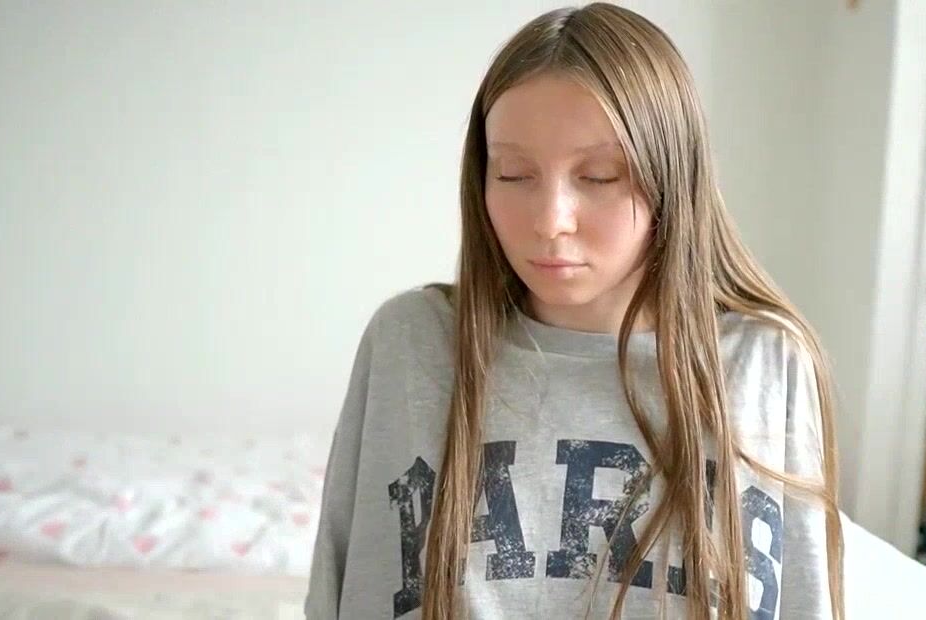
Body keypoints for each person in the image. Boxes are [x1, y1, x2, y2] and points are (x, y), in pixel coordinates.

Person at [306, 3, 843, 619]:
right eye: (513, 174)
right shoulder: (411, 342)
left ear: (672, 177)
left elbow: (803, 602)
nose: (550, 220)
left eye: (600, 175)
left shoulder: (764, 360)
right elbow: (339, 590)